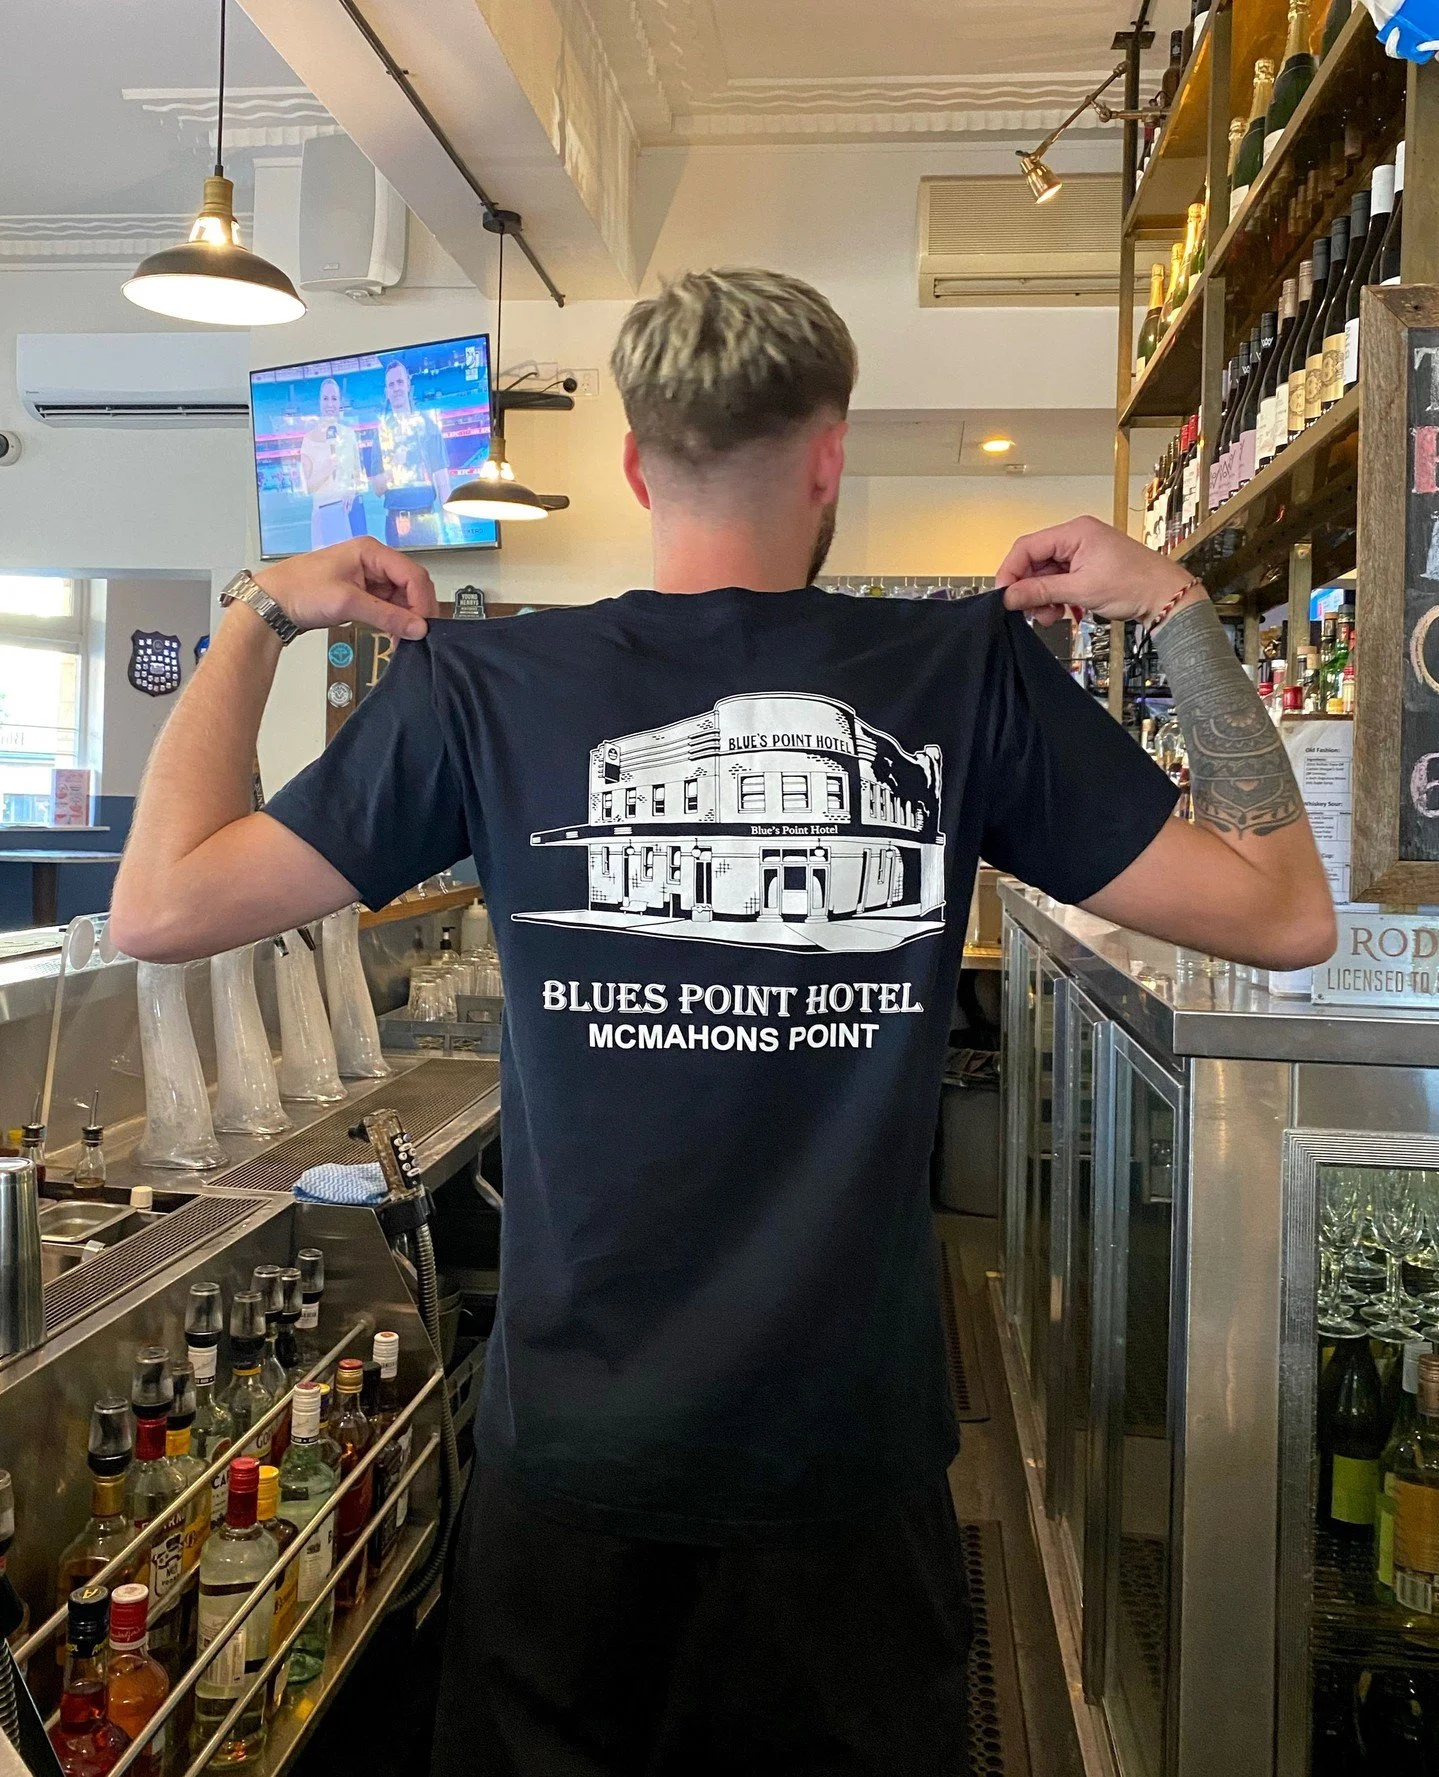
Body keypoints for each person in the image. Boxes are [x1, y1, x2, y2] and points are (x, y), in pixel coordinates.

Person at [110, 268, 1334, 1777]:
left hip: (569, 1464)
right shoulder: (958, 677)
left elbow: (156, 905)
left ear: (632, 463)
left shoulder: (481, 686)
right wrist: (1173, 607)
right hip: (842, 1467)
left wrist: (255, 615)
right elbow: (1283, 911)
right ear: (829, 456)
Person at [369, 356, 452, 548]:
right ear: (386, 392)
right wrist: (394, 466)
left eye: (400, 382)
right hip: (395, 520)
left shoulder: (428, 426)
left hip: (426, 517)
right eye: (391, 384)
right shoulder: (381, 433)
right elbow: (377, 489)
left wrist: (452, 527)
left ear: (408, 385)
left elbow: (442, 482)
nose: (396, 387)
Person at [298, 377, 367, 549]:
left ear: (340, 402)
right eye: (326, 398)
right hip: (323, 513)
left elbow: (358, 474)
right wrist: (327, 469)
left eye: (334, 399)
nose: (330, 404)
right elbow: (308, 487)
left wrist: (351, 491)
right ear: (319, 402)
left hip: (349, 512)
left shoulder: (349, 435)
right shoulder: (308, 440)